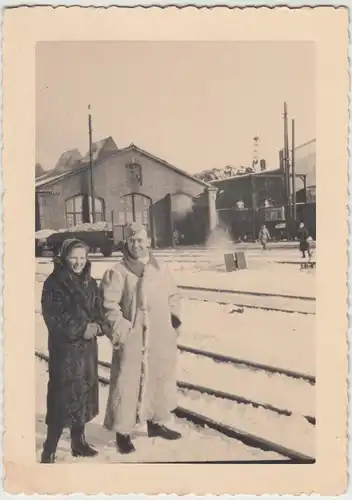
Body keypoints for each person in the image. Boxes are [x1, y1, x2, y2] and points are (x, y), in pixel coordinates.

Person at [100, 222, 182, 454]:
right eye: (132, 241)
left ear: (148, 242)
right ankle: (122, 432)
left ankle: (156, 422)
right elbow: (108, 305)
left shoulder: (160, 268)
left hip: (158, 335)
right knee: (127, 381)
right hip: (132, 337)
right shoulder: (118, 271)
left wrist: (173, 320)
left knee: (159, 377)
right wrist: (122, 328)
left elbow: (173, 294)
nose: (136, 245)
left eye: (140, 240)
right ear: (126, 242)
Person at [40, 238, 105, 463]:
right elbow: (54, 318)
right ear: (64, 257)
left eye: (82, 257)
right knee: (61, 398)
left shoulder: (91, 282)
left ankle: (78, 442)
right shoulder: (53, 283)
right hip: (65, 351)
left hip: (87, 351)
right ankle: (49, 449)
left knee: (83, 394)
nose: (78, 262)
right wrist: (82, 329)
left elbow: (99, 310)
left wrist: (98, 326)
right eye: (73, 257)